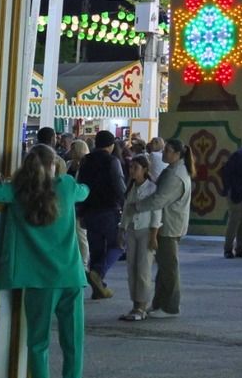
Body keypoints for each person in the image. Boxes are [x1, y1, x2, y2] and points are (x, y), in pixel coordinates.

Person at [0, 144, 86, 378]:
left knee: (38, 344)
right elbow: (84, 190)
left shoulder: (18, 193)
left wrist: (5, 181)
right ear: (54, 165)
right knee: (73, 343)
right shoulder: (66, 186)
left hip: (39, 281)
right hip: (72, 277)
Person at [122, 137, 190, 317]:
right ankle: (160, 303)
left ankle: (169, 306)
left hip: (168, 226)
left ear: (177, 154)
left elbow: (159, 200)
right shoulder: (173, 170)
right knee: (163, 267)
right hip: (166, 225)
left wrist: (137, 207)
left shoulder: (176, 175)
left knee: (168, 267)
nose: (163, 153)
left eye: (167, 150)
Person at [76, 130, 127, 300]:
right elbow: (120, 187)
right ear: (111, 145)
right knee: (117, 246)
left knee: (96, 250)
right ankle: (98, 273)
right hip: (108, 210)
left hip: (90, 211)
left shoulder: (86, 161)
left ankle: (99, 288)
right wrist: (126, 205)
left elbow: (80, 186)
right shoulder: (112, 161)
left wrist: (81, 212)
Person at [119, 156, 159, 321]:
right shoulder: (131, 188)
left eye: (136, 167)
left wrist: (154, 236)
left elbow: (156, 213)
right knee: (132, 268)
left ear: (144, 169)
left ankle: (142, 306)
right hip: (132, 231)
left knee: (143, 269)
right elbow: (126, 211)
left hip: (145, 231)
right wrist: (121, 230)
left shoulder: (151, 189)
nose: (132, 170)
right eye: (131, 167)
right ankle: (135, 304)